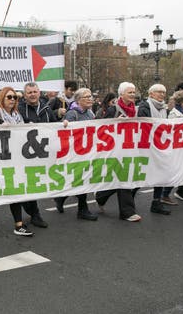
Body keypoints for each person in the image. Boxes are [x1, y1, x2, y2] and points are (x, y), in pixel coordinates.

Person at [0, 86, 34, 236]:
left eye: (15, 97)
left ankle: (18, 224)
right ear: (2, 98)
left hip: (15, 158)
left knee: (13, 187)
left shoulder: (18, 115)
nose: (12, 100)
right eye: (9, 97)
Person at [94, 82, 141, 222]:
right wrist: (115, 122)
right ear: (121, 94)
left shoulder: (137, 110)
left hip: (132, 148)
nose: (133, 95)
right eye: (129, 92)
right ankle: (127, 212)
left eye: (133, 92)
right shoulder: (113, 109)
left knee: (125, 178)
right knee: (124, 177)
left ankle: (101, 196)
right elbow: (101, 128)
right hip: (115, 151)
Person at [56, 88, 98, 220]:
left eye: (91, 96)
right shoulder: (72, 114)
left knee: (80, 180)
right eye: (86, 97)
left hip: (86, 152)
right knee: (80, 180)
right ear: (78, 100)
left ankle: (61, 198)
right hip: (74, 153)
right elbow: (66, 134)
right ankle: (82, 210)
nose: (90, 98)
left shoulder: (90, 113)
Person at [16, 81, 53, 228]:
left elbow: (55, 125)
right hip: (25, 155)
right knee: (29, 183)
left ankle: (32, 209)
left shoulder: (46, 108)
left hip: (42, 154)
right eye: (29, 92)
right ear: (25, 95)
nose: (32, 95)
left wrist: (63, 122)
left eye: (34, 92)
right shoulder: (19, 109)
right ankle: (35, 214)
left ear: (39, 92)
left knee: (37, 184)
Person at [137, 84, 175, 215]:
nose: (162, 95)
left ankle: (156, 202)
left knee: (160, 174)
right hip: (147, 147)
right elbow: (143, 125)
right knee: (140, 176)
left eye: (164, 92)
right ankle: (107, 195)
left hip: (160, 146)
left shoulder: (164, 108)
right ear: (151, 94)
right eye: (159, 92)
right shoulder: (144, 107)